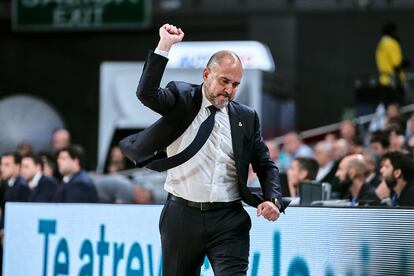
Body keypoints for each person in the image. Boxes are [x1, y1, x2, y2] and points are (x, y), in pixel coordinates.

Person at [119, 23, 287, 276]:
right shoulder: (181, 99)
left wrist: (273, 199)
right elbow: (146, 93)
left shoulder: (246, 117)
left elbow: (264, 164)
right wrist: (164, 45)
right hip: (181, 216)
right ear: (206, 73)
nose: (229, 90)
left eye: (236, 84)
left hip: (229, 219)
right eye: (224, 81)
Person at [375, 22, 410, 105]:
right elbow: (396, 64)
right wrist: (406, 63)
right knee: (399, 110)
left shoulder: (381, 44)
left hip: (383, 80)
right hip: (394, 82)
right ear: (392, 31)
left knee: (389, 109)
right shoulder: (392, 43)